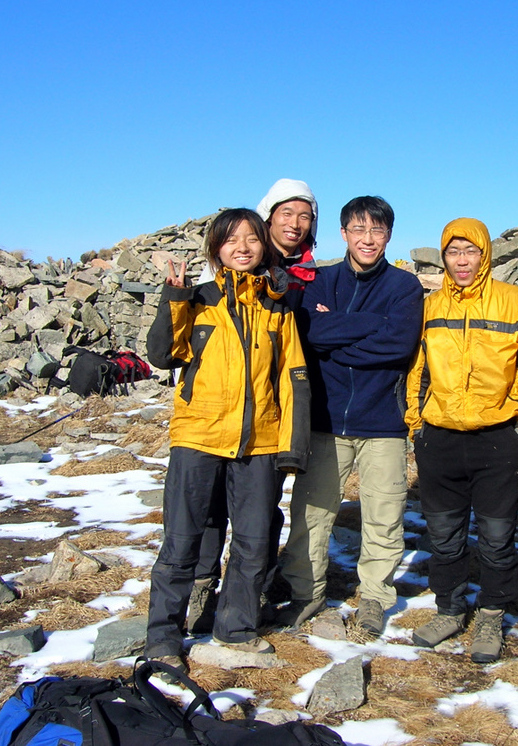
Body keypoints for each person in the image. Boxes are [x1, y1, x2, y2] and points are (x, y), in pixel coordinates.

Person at [144, 208, 310, 670]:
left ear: (264, 246)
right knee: (182, 541)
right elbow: (163, 354)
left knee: (253, 542)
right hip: (198, 435)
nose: (242, 247)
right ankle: (162, 638)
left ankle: (235, 630)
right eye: (231, 239)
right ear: (216, 248)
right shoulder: (198, 298)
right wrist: (174, 297)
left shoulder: (277, 308)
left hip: (260, 442)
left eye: (252, 239)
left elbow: (293, 377)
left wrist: (292, 447)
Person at [278, 195, 424, 634]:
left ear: (389, 235)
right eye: (358, 229)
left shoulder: (404, 286)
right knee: (312, 514)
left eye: (377, 230)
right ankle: (305, 592)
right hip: (326, 420)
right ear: (343, 233)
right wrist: (372, 322)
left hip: (384, 423)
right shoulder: (320, 281)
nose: (368, 238)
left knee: (384, 515)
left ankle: (375, 598)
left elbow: (399, 345)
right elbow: (310, 333)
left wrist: (339, 329)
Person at [186, 180, 318, 634]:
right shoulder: (236, 268)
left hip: (274, 412)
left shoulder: (312, 275)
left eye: (305, 216)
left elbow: (311, 339)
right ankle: (203, 586)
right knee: (211, 510)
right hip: (222, 412)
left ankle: (250, 590)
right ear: (268, 218)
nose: (295, 224)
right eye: (286, 214)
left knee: (261, 511)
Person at [404, 218, 518, 663]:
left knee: (496, 537)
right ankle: (450, 610)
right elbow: (417, 368)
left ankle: (492, 614)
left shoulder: (513, 301)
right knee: (444, 535)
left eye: (470, 251)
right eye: (453, 252)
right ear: (443, 257)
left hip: (497, 438)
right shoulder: (431, 305)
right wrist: (417, 425)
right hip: (440, 437)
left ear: (484, 255)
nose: (462, 260)